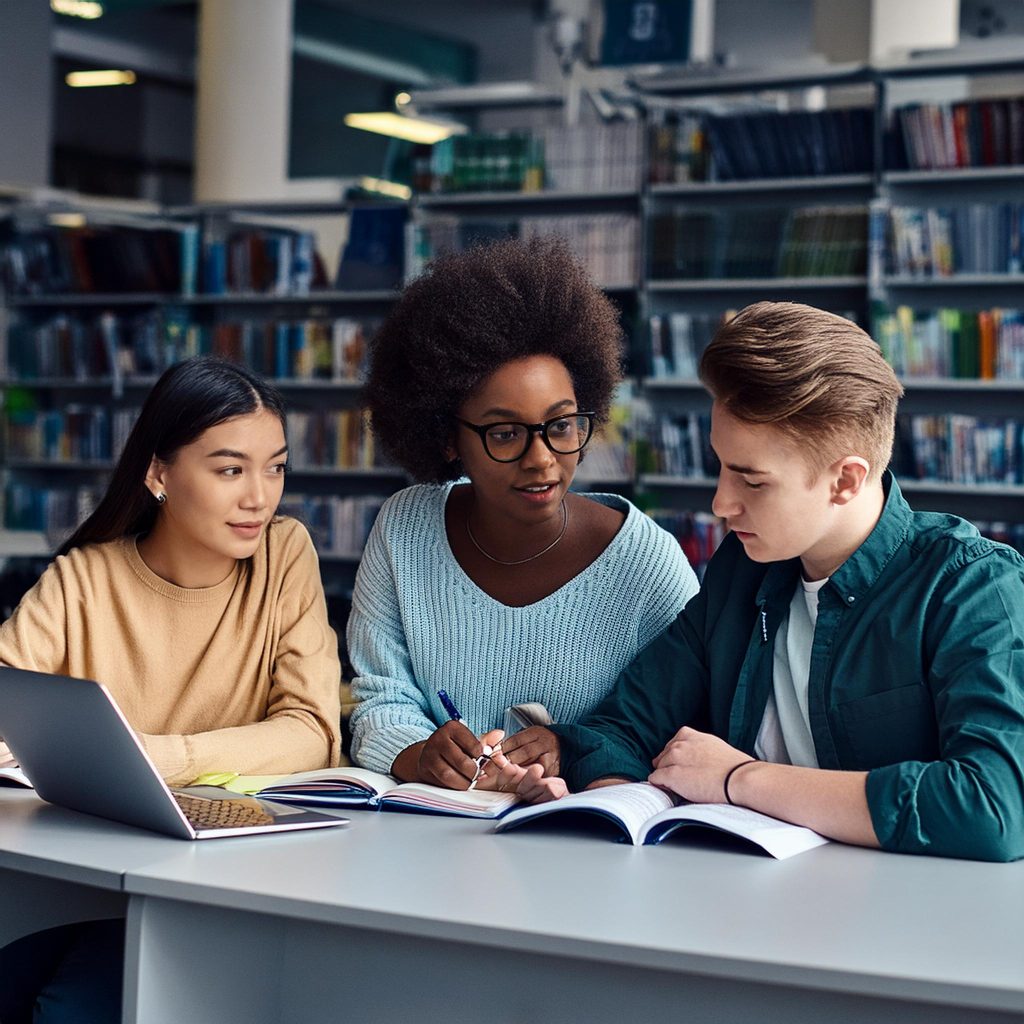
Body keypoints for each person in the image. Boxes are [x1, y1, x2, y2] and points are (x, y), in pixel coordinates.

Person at [495, 301, 1024, 862]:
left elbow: (993, 808)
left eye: (752, 480)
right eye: (722, 466)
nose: (722, 503)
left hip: (902, 926)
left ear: (845, 480)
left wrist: (739, 779)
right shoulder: (742, 570)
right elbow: (622, 725)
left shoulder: (974, 588)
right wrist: (611, 808)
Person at [0, 355, 341, 1022]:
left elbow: (313, 731)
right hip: (79, 871)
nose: (260, 497)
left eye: (276, 466)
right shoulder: (83, 580)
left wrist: (161, 757)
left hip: (223, 885)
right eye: (230, 469)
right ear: (159, 473)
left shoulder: (284, 555)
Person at [347, 236, 698, 789]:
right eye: (505, 433)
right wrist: (419, 755)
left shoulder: (645, 565)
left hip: (582, 847)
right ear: (446, 438)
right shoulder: (405, 530)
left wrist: (577, 749)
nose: (542, 460)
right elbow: (380, 697)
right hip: (426, 837)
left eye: (560, 426)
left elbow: (685, 725)